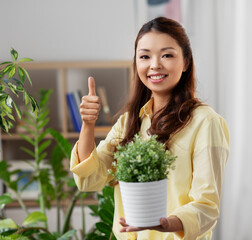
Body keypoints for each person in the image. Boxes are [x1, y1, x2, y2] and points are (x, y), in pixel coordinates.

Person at [70, 17, 230, 240]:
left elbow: (207, 206)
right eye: (145, 56)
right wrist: (87, 124)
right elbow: (90, 179)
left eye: (167, 55)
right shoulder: (129, 122)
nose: (155, 64)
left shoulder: (206, 122)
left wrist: (166, 224)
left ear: (185, 62)